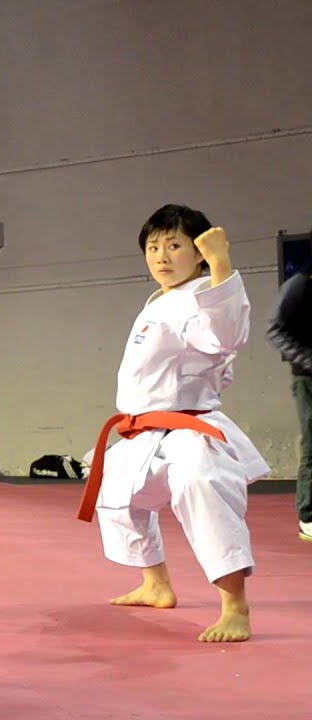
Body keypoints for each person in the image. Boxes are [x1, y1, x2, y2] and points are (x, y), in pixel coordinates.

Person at [77, 204, 270, 644]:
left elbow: (226, 337)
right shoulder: (161, 300)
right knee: (117, 494)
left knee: (201, 487)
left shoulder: (202, 293)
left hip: (188, 427)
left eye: (175, 245)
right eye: (153, 246)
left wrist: (222, 264)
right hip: (143, 428)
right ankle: (156, 584)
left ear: (199, 253)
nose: (161, 255)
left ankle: (235, 606)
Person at [266, 257, 312, 541]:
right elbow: (274, 330)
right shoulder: (299, 286)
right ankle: (308, 517)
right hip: (308, 381)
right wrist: (307, 361)